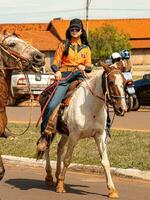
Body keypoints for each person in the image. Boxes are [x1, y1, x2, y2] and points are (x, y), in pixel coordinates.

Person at [37, 18, 92, 152]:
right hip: (65, 77)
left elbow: (89, 67)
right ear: (69, 31)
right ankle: (45, 135)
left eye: (77, 29)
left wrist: (83, 67)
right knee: (51, 104)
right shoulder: (63, 45)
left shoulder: (86, 48)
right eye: (72, 29)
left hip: (80, 76)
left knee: (99, 95)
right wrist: (57, 72)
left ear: (81, 31)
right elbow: (55, 63)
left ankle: (105, 129)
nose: (74, 31)